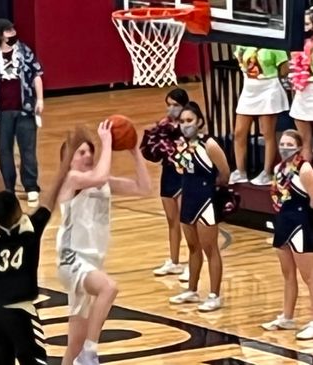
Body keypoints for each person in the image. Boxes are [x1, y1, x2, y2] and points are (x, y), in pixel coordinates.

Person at [0, 139, 72, 365]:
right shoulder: (29, 231)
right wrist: (65, 164)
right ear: (14, 213)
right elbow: (49, 200)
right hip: (21, 311)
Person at [56, 121, 151, 365]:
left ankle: (80, 352)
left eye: (91, 151)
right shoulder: (71, 178)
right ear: (68, 160)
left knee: (73, 344)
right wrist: (107, 142)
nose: (88, 155)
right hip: (71, 258)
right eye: (81, 152)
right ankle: (91, 350)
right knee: (109, 288)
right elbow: (98, 175)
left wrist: (134, 150)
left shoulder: (102, 182)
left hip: (92, 262)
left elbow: (144, 188)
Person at [168, 102, 230, 312]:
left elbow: (225, 173)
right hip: (188, 200)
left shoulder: (210, 145)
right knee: (193, 248)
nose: (185, 125)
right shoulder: (181, 145)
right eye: (182, 121)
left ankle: (215, 295)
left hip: (206, 201)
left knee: (210, 249)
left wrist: (211, 190)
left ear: (200, 122)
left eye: (189, 121)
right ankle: (192, 290)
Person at [0, 18, 44, 207]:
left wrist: (39, 99)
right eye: (8, 30)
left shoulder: (25, 52)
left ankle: (31, 186)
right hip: (1, 111)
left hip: (25, 109)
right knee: (5, 151)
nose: (13, 32)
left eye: (13, 29)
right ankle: (8, 189)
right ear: (0, 35)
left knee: (28, 150)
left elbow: (37, 75)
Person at [262, 129, 313, 340]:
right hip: (282, 223)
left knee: (310, 277)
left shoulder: (306, 169)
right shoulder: (278, 168)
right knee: (287, 274)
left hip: (301, 225)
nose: (284, 148)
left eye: (290, 145)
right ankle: (287, 316)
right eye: (282, 144)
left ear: (300, 147)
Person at [229, 46, 289, 186]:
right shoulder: (243, 44)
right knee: (239, 132)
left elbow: (285, 69)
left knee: (267, 132)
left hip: (269, 88)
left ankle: (267, 173)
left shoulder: (275, 45)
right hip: (249, 88)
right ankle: (240, 171)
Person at [148, 88, 189, 280]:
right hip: (168, 174)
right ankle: (174, 261)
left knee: (187, 222)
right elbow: (154, 154)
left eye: (176, 105)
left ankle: (192, 262)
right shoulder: (163, 127)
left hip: (184, 175)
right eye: (169, 105)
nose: (171, 109)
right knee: (172, 222)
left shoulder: (190, 126)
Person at [289, 8, 313, 162]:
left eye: (307, 22)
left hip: (310, 87)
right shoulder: (298, 43)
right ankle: (305, 175)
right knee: (306, 142)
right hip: (302, 90)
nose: (303, 25)